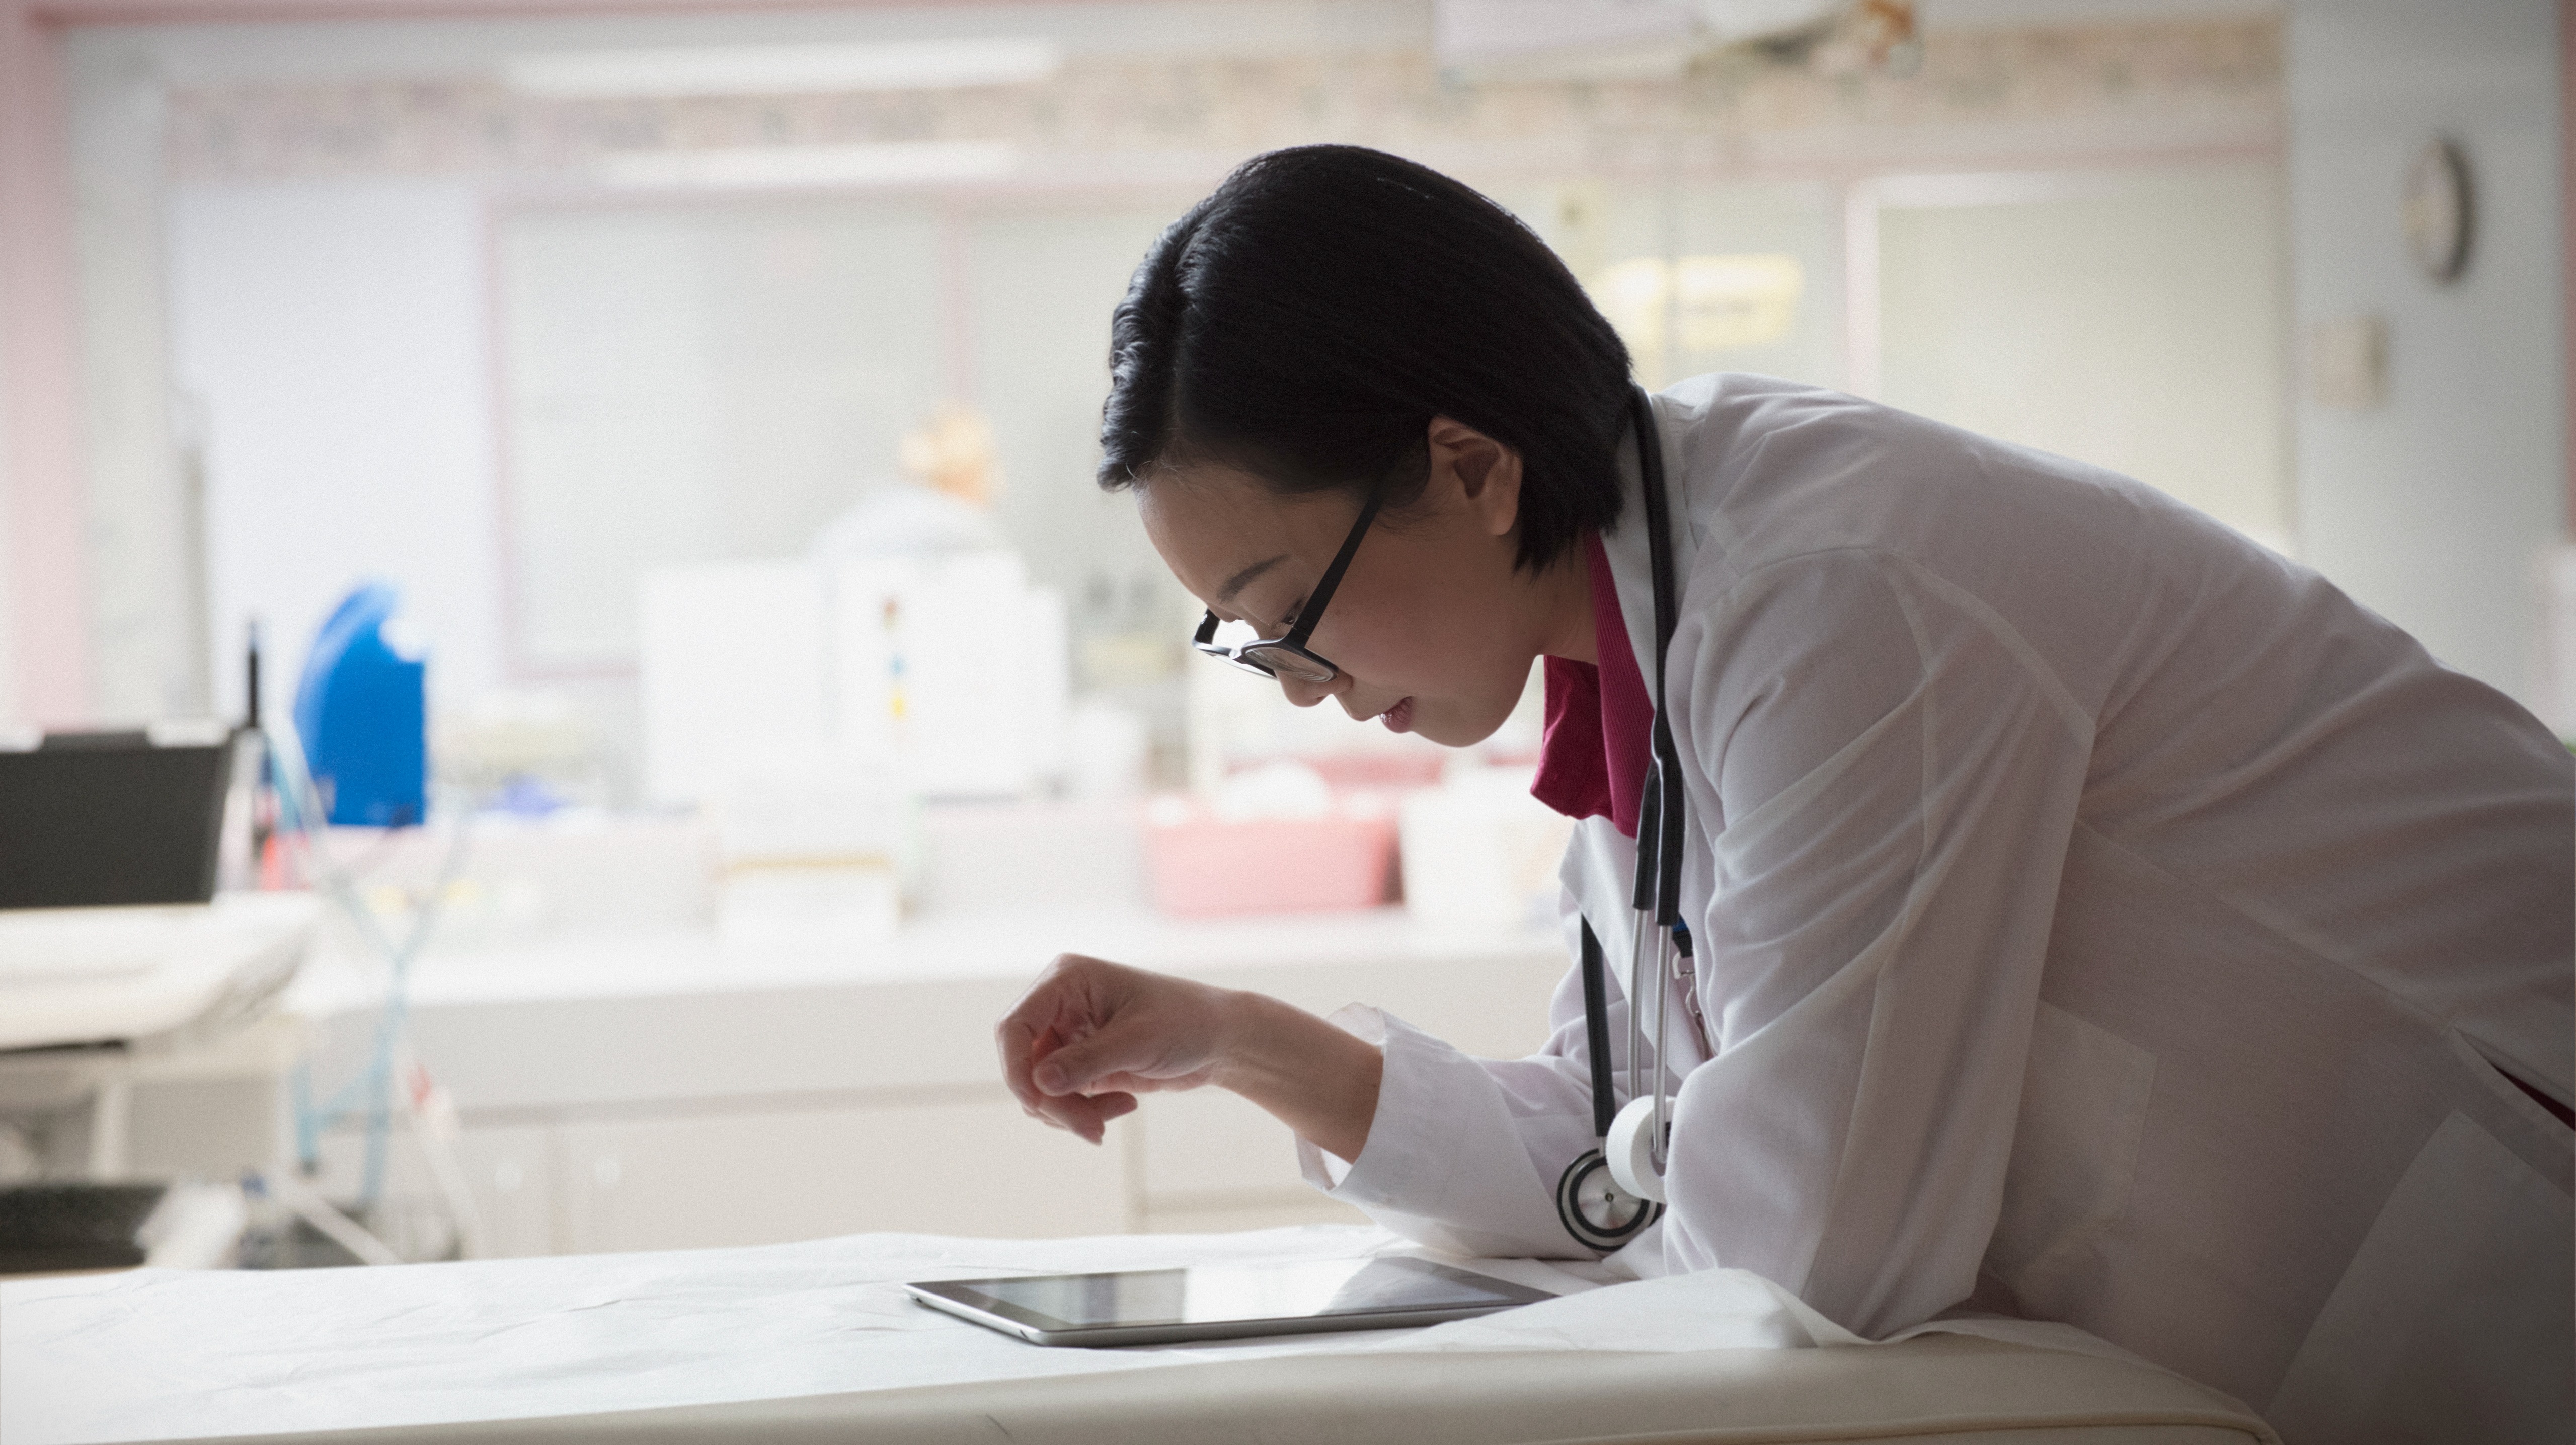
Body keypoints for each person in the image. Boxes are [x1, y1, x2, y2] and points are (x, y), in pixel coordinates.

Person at [994, 145, 2573, 1440]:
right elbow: (1613, 1162)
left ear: (1471, 469)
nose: (1298, 684)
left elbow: (1814, 1261)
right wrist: (1241, 1041)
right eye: (1250, 643)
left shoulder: (1842, 591)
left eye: (1291, 613)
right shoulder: (1637, 652)